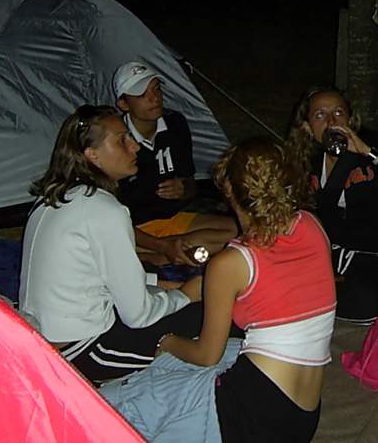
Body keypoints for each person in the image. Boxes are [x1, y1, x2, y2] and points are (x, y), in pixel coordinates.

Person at [156, 137, 336, 442]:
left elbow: (206, 355)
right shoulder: (312, 225)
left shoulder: (231, 262)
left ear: (229, 189)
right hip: (305, 417)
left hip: (257, 411)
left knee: (151, 391)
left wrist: (167, 341)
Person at [18, 105, 203, 384]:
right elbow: (138, 315)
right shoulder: (105, 210)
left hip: (42, 333)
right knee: (206, 315)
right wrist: (185, 295)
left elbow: (94, 273)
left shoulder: (52, 197)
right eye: (122, 140)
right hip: (84, 350)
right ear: (92, 155)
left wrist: (163, 285)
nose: (135, 146)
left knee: (156, 278)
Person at [286, 86, 378, 324]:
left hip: (373, 256)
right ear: (307, 127)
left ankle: (303, 301)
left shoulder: (371, 144)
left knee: (365, 301)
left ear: (350, 119)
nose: (331, 121)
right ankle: (310, 298)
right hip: (326, 255)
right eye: (320, 115)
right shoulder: (307, 160)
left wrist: (367, 152)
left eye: (338, 112)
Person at [112, 61, 237, 266]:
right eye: (142, 94)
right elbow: (111, 219)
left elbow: (191, 184)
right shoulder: (117, 140)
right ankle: (162, 252)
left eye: (156, 89)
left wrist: (184, 188)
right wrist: (160, 244)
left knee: (238, 230)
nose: (154, 98)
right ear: (123, 104)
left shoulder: (174, 124)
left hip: (172, 219)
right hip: (133, 229)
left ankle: (162, 255)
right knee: (203, 244)